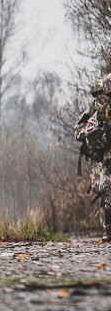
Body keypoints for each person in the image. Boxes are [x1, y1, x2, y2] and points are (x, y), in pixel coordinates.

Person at [75, 77, 111, 242]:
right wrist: (98, 136)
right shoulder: (94, 112)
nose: (101, 96)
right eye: (98, 94)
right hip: (103, 156)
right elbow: (79, 132)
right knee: (106, 191)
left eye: (103, 93)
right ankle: (107, 230)